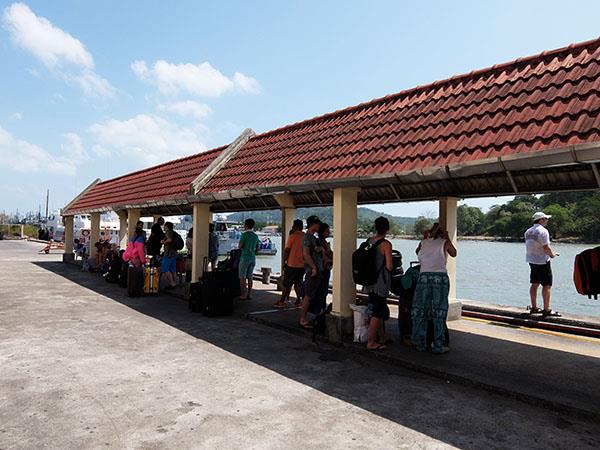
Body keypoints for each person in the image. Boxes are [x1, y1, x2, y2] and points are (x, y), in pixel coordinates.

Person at [412, 222, 457, 354]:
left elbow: (417, 252)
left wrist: (424, 238)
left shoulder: (424, 242)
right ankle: (438, 345)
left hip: (423, 278)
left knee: (420, 310)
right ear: (442, 233)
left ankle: (420, 343)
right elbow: (454, 253)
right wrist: (448, 237)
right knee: (439, 311)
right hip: (439, 279)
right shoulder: (444, 242)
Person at [365, 217, 393, 350]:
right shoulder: (386, 244)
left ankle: (382, 337)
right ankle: (371, 342)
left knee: (378, 309)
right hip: (380, 282)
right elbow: (389, 266)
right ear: (387, 229)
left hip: (368, 281)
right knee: (377, 311)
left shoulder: (369, 241)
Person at [525, 212, 560, 317]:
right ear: (541, 220)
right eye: (545, 219)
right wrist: (553, 255)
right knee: (547, 285)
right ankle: (546, 309)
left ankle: (534, 307)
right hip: (542, 261)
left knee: (534, 283)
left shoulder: (528, 231)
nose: (547, 220)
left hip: (532, 260)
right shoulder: (543, 231)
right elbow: (546, 247)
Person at [274, 219, 305, 308]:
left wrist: (284, 261)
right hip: (302, 265)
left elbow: (287, 250)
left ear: (295, 227)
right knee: (298, 283)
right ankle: (299, 301)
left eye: (293, 226)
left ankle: (282, 301)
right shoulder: (305, 236)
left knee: (286, 284)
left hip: (292, 264)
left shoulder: (293, 236)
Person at [299, 215, 323, 328]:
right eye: (318, 224)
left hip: (317, 269)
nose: (319, 226)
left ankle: (307, 317)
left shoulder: (314, 238)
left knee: (311, 295)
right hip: (312, 270)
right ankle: (303, 319)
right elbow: (306, 254)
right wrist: (313, 267)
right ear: (313, 224)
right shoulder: (307, 237)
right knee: (308, 295)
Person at [312, 222, 333, 315]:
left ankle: (321, 308)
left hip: (326, 269)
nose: (329, 232)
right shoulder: (319, 242)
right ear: (323, 231)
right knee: (321, 289)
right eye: (327, 230)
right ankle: (319, 309)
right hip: (322, 269)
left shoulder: (324, 242)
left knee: (323, 290)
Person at [238, 218, 260, 300]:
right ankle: (249, 294)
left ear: (246, 225)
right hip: (252, 258)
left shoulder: (244, 235)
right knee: (250, 276)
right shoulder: (255, 236)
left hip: (245, 258)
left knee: (242, 277)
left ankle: (243, 294)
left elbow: (240, 246)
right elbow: (258, 249)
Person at [160, 221, 178, 290]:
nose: (164, 227)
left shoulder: (168, 232)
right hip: (174, 253)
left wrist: (163, 242)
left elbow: (169, 240)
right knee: (173, 269)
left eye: (164, 226)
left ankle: (172, 283)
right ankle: (174, 283)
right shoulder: (173, 232)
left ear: (167, 226)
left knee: (165, 268)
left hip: (168, 254)